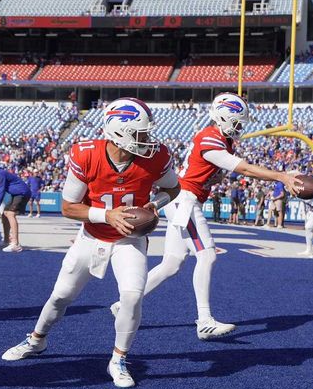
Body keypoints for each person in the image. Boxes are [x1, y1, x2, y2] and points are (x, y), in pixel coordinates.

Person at [1, 97, 180, 388]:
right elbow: (68, 207)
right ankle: (36, 340)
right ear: (119, 132)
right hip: (92, 235)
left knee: (132, 296)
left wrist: (155, 204)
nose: (148, 140)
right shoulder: (87, 154)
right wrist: (106, 215)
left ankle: (118, 359)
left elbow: (174, 187)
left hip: (129, 240)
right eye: (141, 134)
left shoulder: (156, 156)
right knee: (60, 297)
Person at [126, 93, 302, 340]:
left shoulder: (218, 138)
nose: (240, 127)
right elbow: (244, 168)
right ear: (224, 116)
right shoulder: (210, 137)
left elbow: (211, 169)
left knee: (172, 263)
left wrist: (214, 176)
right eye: (237, 122)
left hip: (184, 198)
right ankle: (204, 320)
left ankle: (124, 303)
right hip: (184, 200)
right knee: (207, 255)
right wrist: (282, 176)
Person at [0, 158, 30, 252]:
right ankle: (6, 241)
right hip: (17, 193)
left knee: (10, 213)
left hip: (22, 192)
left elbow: (0, 192)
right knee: (5, 213)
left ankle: (16, 244)